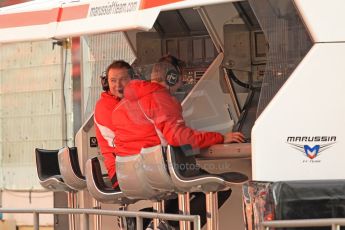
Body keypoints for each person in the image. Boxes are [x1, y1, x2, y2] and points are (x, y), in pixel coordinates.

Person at [112, 55, 246, 228]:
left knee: (179, 191)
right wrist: (221, 137)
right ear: (172, 77)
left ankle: (147, 221)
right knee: (219, 187)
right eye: (181, 77)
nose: (182, 83)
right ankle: (167, 226)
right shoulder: (160, 97)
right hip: (158, 170)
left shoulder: (123, 104)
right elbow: (179, 138)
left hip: (131, 174)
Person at [94, 60, 133, 188]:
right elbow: (131, 136)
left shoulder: (130, 102)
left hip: (138, 166)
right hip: (121, 173)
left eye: (123, 79)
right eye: (113, 80)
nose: (118, 85)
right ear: (106, 82)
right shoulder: (105, 106)